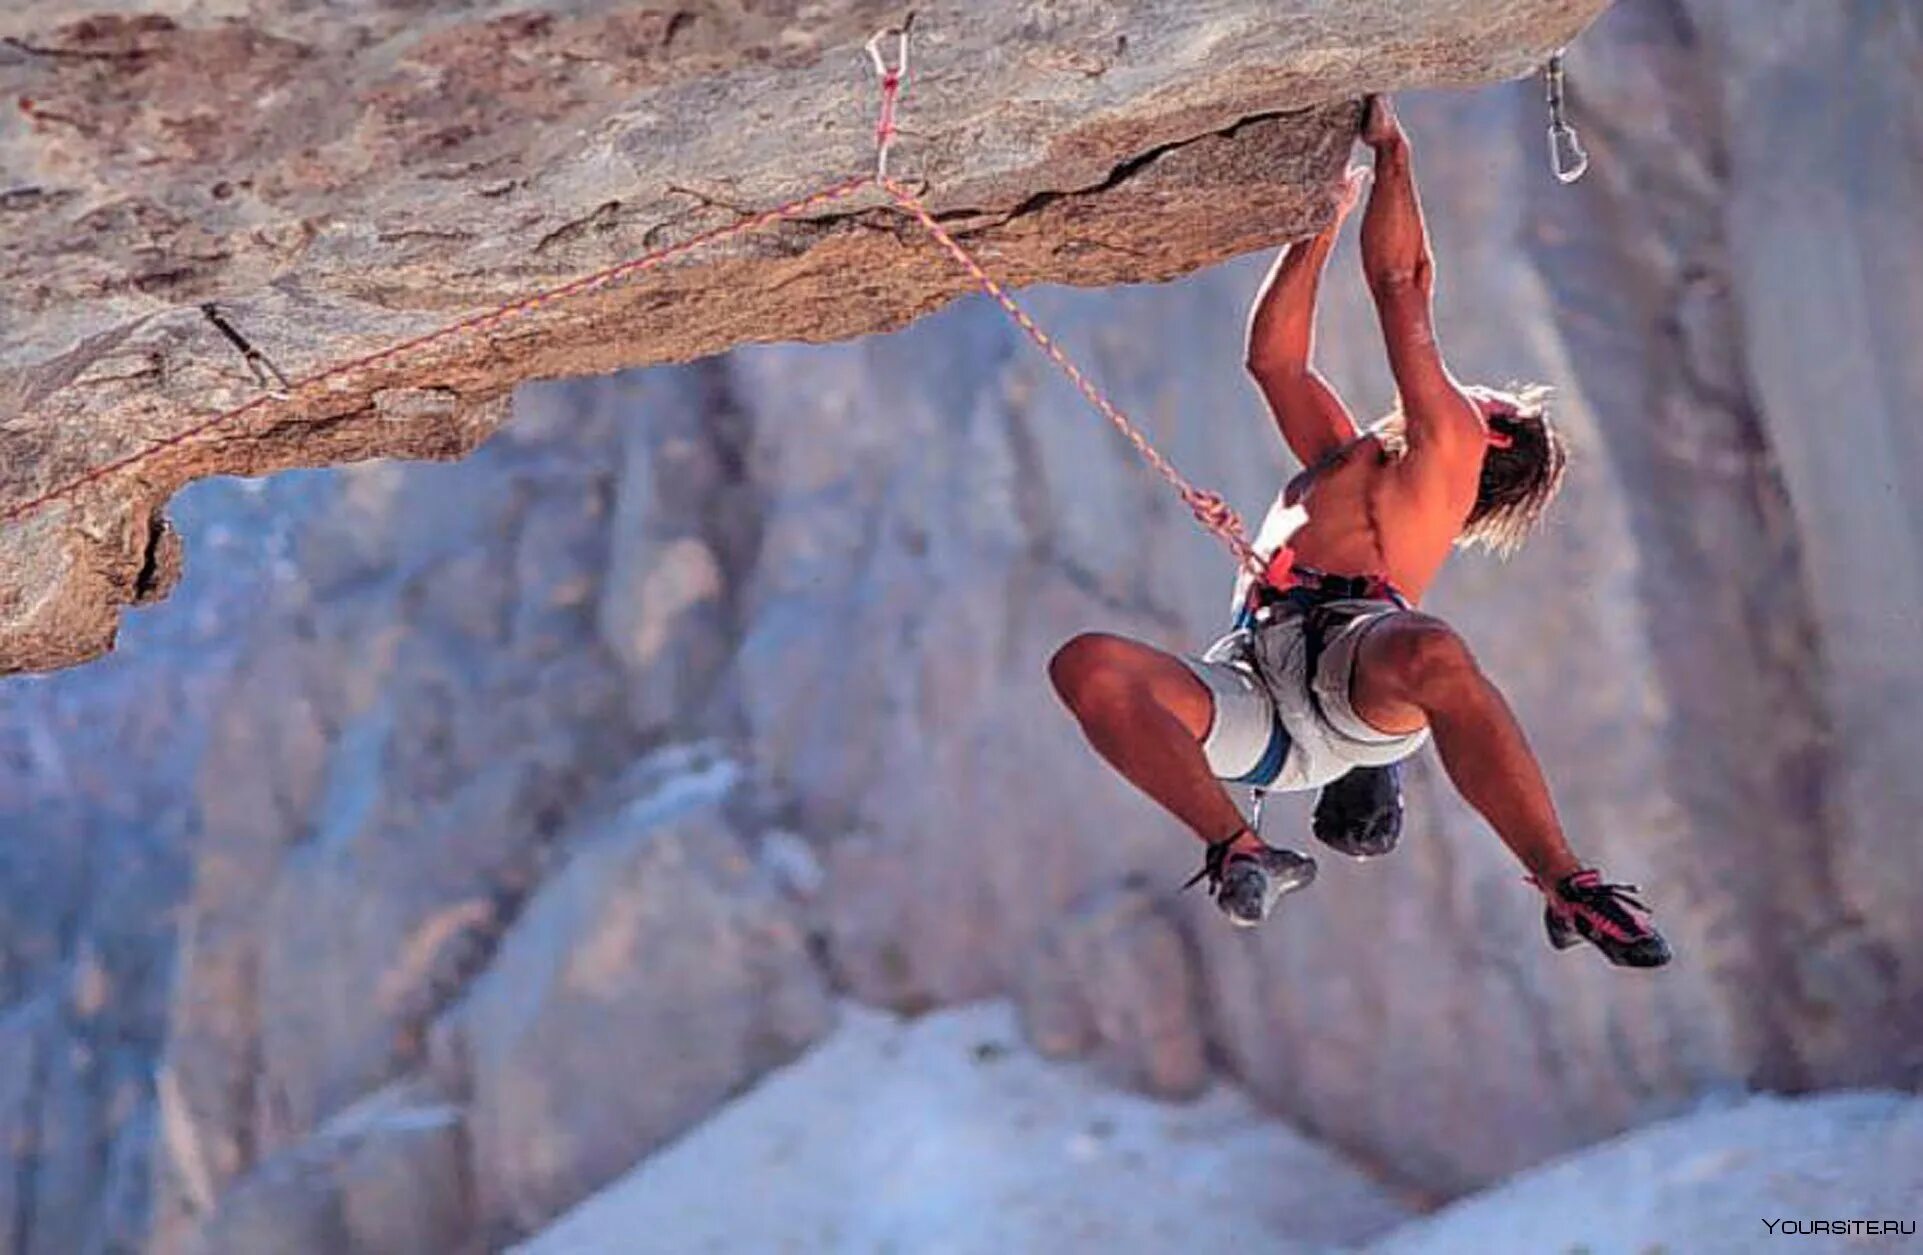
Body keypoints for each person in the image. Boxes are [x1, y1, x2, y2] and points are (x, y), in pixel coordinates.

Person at [1047, 97, 1669, 968]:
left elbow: (1401, 286)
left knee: (1432, 653)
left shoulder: (1445, 452)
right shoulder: (1342, 461)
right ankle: (1242, 847)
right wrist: (1319, 223)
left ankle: (1567, 883)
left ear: (1487, 439)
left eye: (1481, 400)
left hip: (1352, 678)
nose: (1460, 393)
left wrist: (1396, 158)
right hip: (1256, 686)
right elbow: (1274, 362)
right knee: (1090, 666)